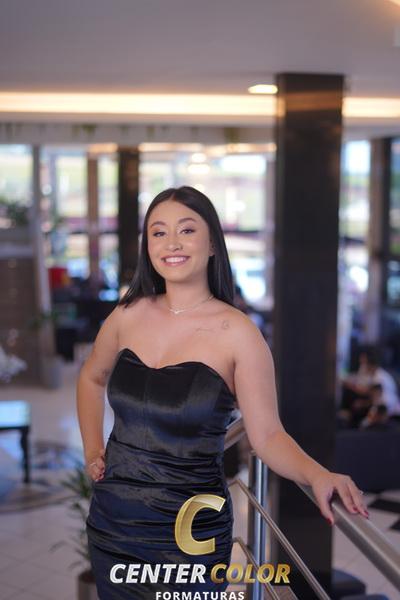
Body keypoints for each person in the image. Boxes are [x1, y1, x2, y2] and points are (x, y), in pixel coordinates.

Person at [76, 186, 368, 599]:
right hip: (114, 523)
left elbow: (267, 435)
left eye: (186, 230)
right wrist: (93, 449)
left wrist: (318, 474)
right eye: (158, 232)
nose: (172, 243)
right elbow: (91, 378)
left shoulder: (239, 334)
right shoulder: (127, 315)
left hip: (189, 533)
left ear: (212, 242)